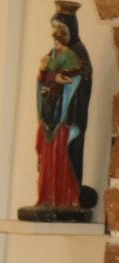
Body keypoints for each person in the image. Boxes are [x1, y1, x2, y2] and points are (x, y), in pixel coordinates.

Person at [33, 4, 93, 209]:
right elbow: (44, 77)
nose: (55, 34)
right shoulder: (53, 54)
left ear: (70, 29)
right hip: (51, 111)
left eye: (60, 29)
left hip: (66, 116)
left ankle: (67, 198)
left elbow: (82, 80)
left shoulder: (78, 53)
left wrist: (62, 79)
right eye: (54, 29)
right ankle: (48, 198)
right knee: (48, 156)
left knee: (64, 155)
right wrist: (44, 75)